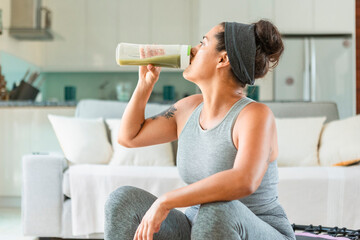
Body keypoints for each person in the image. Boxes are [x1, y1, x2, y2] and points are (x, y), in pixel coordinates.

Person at [105, 19, 296, 240]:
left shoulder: (254, 115)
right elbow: (129, 137)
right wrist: (144, 86)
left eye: (202, 43)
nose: (192, 50)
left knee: (218, 209)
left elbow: (245, 180)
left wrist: (166, 200)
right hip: (198, 228)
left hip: (255, 230)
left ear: (223, 58)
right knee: (122, 201)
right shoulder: (188, 108)